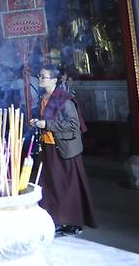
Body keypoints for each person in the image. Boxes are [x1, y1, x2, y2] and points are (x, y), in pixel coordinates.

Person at [29, 64, 97, 236]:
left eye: (43, 77)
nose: (40, 79)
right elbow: (48, 120)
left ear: (53, 80)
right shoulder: (44, 97)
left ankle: (74, 222)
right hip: (48, 147)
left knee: (68, 187)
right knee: (52, 186)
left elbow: (73, 124)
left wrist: (47, 124)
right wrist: (38, 122)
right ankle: (57, 219)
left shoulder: (64, 99)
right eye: (39, 76)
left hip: (64, 149)